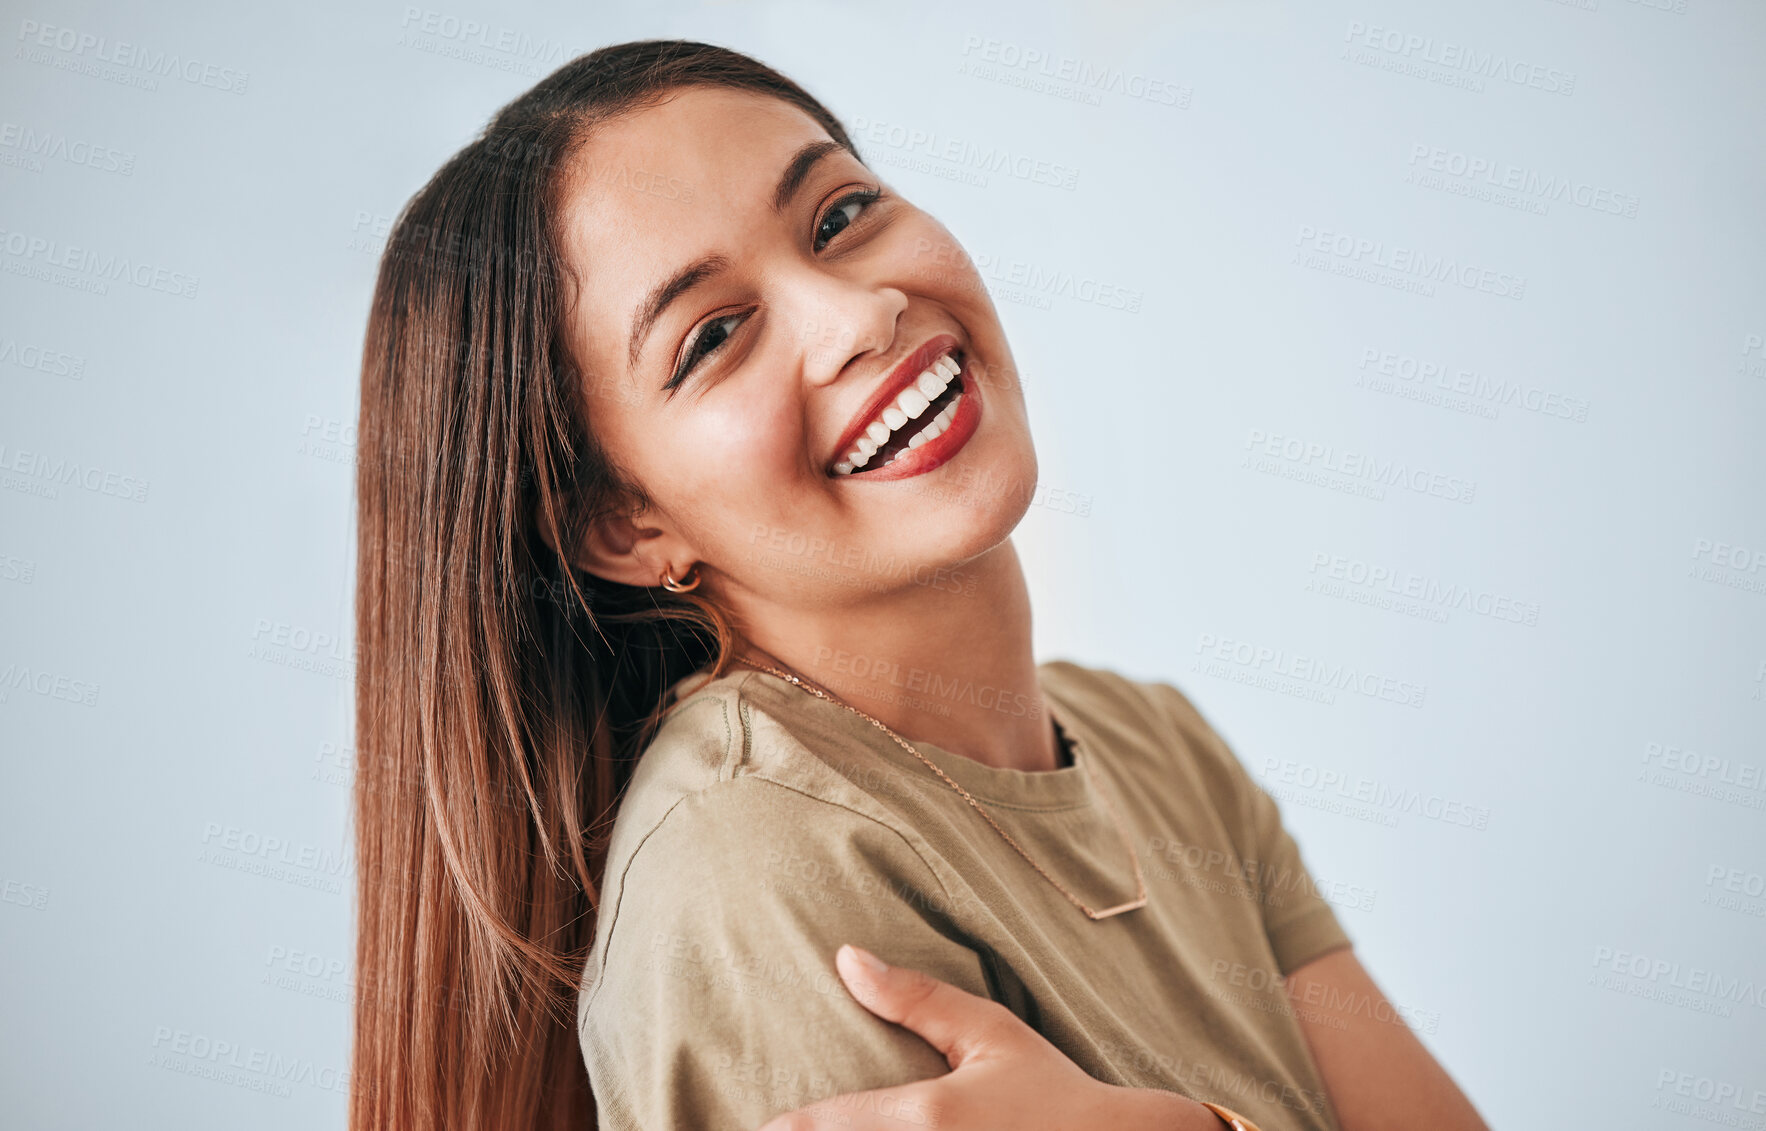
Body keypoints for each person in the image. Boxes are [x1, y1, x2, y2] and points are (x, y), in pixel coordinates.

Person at [350, 38, 1491, 1131]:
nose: (858, 315)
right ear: (623, 523)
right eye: (713, 337)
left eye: (840, 216)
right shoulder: (756, 865)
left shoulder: (1155, 745)